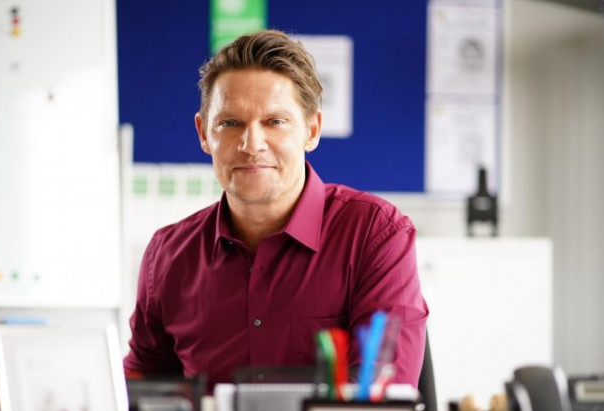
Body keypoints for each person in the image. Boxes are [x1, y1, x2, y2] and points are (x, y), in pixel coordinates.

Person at [124, 30, 428, 389]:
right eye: (230, 123)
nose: (251, 145)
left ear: (312, 130)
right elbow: (139, 391)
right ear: (204, 133)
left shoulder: (374, 234)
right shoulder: (168, 255)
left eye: (275, 122)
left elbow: (382, 396)